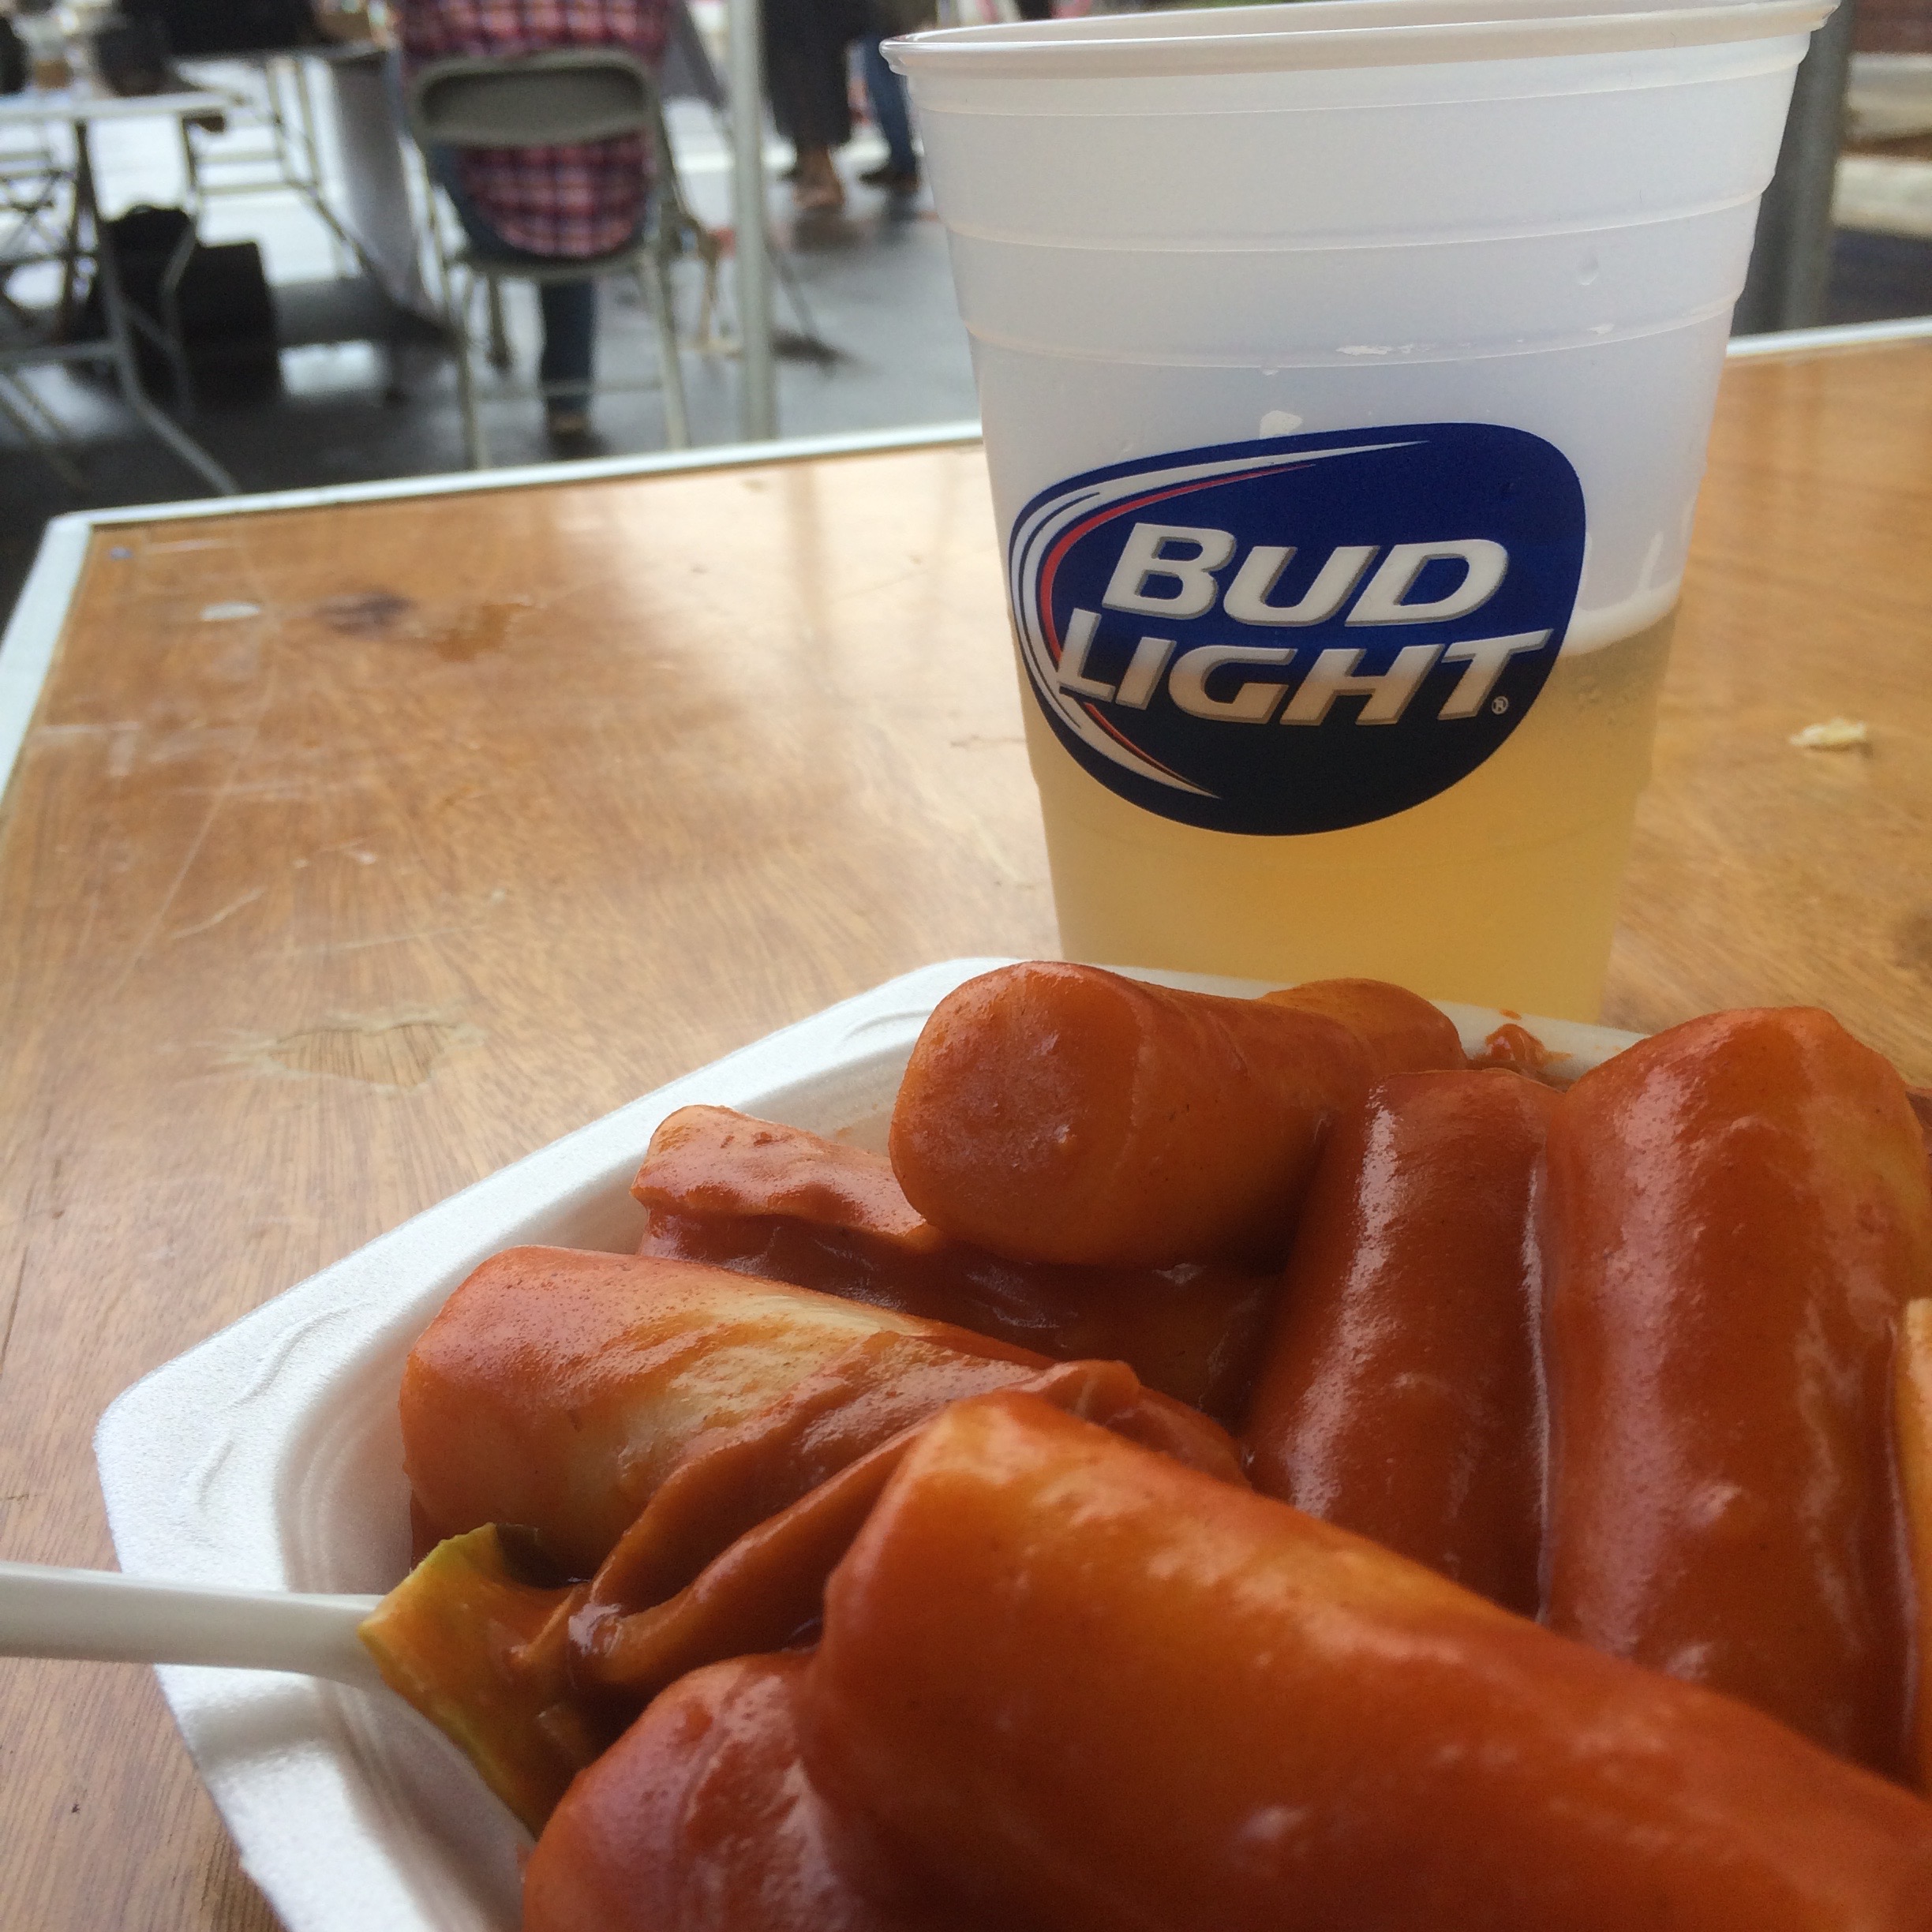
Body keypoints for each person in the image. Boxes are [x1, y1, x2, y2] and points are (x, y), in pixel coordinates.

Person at [397, 0, 672, 450]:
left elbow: (416, 72)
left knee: (431, 99)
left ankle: (555, 393)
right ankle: (569, 403)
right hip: (616, 217)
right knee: (574, 173)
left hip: (492, 224)